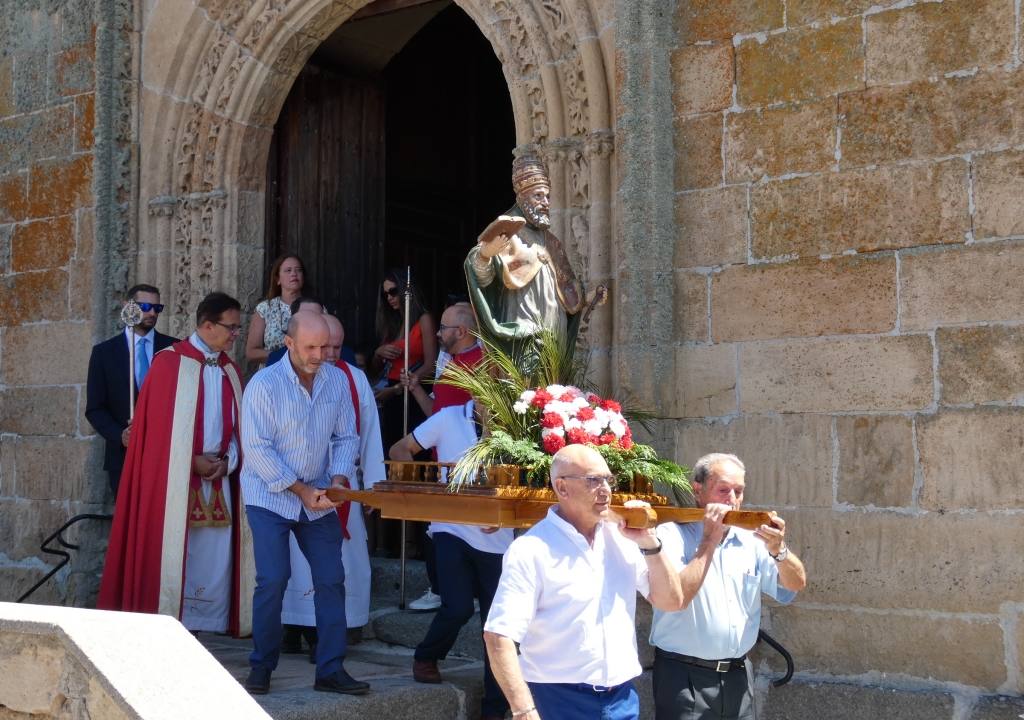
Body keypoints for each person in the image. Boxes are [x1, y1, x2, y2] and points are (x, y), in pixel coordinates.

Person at [483, 445, 684, 720]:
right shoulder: (530, 550)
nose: (605, 490)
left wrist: (650, 544)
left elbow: (671, 601)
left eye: (608, 479)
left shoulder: (622, 537)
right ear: (562, 487)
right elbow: (498, 636)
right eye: (593, 480)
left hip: (621, 697)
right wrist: (523, 710)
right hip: (557, 699)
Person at [97, 292, 251, 637]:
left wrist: (229, 461)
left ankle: (212, 623)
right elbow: (152, 439)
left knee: (216, 557)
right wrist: (190, 461)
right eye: (232, 327)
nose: (235, 335)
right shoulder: (168, 364)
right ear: (207, 325)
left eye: (239, 329)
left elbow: (243, 430)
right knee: (180, 553)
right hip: (175, 485)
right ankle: (175, 624)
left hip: (220, 480)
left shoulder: (230, 368)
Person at [240, 310, 368, 696]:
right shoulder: (263, 385)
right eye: (311, 347)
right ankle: (261, 666)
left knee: (331, 579)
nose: (320, 355)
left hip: (319, 492)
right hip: (270, 496)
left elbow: (347, 436)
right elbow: (257, 450)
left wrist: (338, 480)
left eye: (326, 347)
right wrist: (300, 490)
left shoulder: (336, 381)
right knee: (274, 579)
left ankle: (330, 669)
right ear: (289, 343)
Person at [650, 453, 806, 720]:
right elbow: (675, 597)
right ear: (697, 490)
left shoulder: (751, 540)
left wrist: (779, 551)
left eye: (739, 491)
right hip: (684, 676)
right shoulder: (671, 535)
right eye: (723, 490)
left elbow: (795, 584)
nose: (732, 499)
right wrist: (709, 540)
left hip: (737, 676)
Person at [389, 399, 515, 720]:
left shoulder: (518, 424)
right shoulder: (447, 418)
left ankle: (494, 711)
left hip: (498, 540)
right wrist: (420, 491)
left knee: (498, 627)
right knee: (457, 606)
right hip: (450, 528)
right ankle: (426, 656)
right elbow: (400, 449)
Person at [280, 314, 385, 650]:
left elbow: (368, 434)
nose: (331, 354)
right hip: (295, 486)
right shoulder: (286, 377)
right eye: (326, 347)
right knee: (293, 558)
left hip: (340, 485)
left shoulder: (353, 379)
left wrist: (373, 486)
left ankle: (333, 630)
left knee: (338, 559)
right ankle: (291, 624)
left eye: (337, 347)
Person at [465, 154, 598, 364]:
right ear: (522, 199)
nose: (545, 202)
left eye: (547, 196)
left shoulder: (552, 242)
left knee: (553, 389)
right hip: (524, 331)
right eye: (538, 196)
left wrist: (586, 298)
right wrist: (486, 255)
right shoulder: (507, 232)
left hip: (554, 331)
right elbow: (482, 276)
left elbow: (565, 289)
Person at [399, 301, 484, 612]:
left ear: (461, 331)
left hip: (466, 466)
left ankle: (459, 591)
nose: (437, 333)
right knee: (439, 529)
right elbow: (436, 416)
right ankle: (441, 588)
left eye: (444, 328)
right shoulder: (451, 363)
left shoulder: (482, 362)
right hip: (440, 459)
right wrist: (418, 390)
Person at [370, 267, 437, 557]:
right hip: (392, 397)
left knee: (413, 465)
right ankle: (386, 541)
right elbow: (375, 370)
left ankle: (413, 541)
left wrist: (406, 386)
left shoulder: (422, 318)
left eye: (394, 291)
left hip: (412, 394)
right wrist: (378, 353)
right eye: (386, 295)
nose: (390, 298)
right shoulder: (390, 323)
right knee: (389, 464)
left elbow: (432, 364)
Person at [85, 284, 177, 494]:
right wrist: (120, 435)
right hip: (123, 458)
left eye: (157, 308)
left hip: (167, 455)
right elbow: (95, 408)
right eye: (145, 306)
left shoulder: (175, 349)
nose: (152, 313)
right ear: (128, 306)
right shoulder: (104, 353)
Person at [245, 254, 306, 365]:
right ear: (278, 279)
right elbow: (251, 353)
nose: (294, 274)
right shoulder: (265, 308)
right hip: (273, 374)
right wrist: (285, 356)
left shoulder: (315, 308)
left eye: (298, 270)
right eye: (288, 270)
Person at [265, 296, 324, 367]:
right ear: (294, 320)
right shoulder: (277, 359)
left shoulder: (336, 352)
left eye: (317, 317)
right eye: (305, 318)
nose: (312, 323)